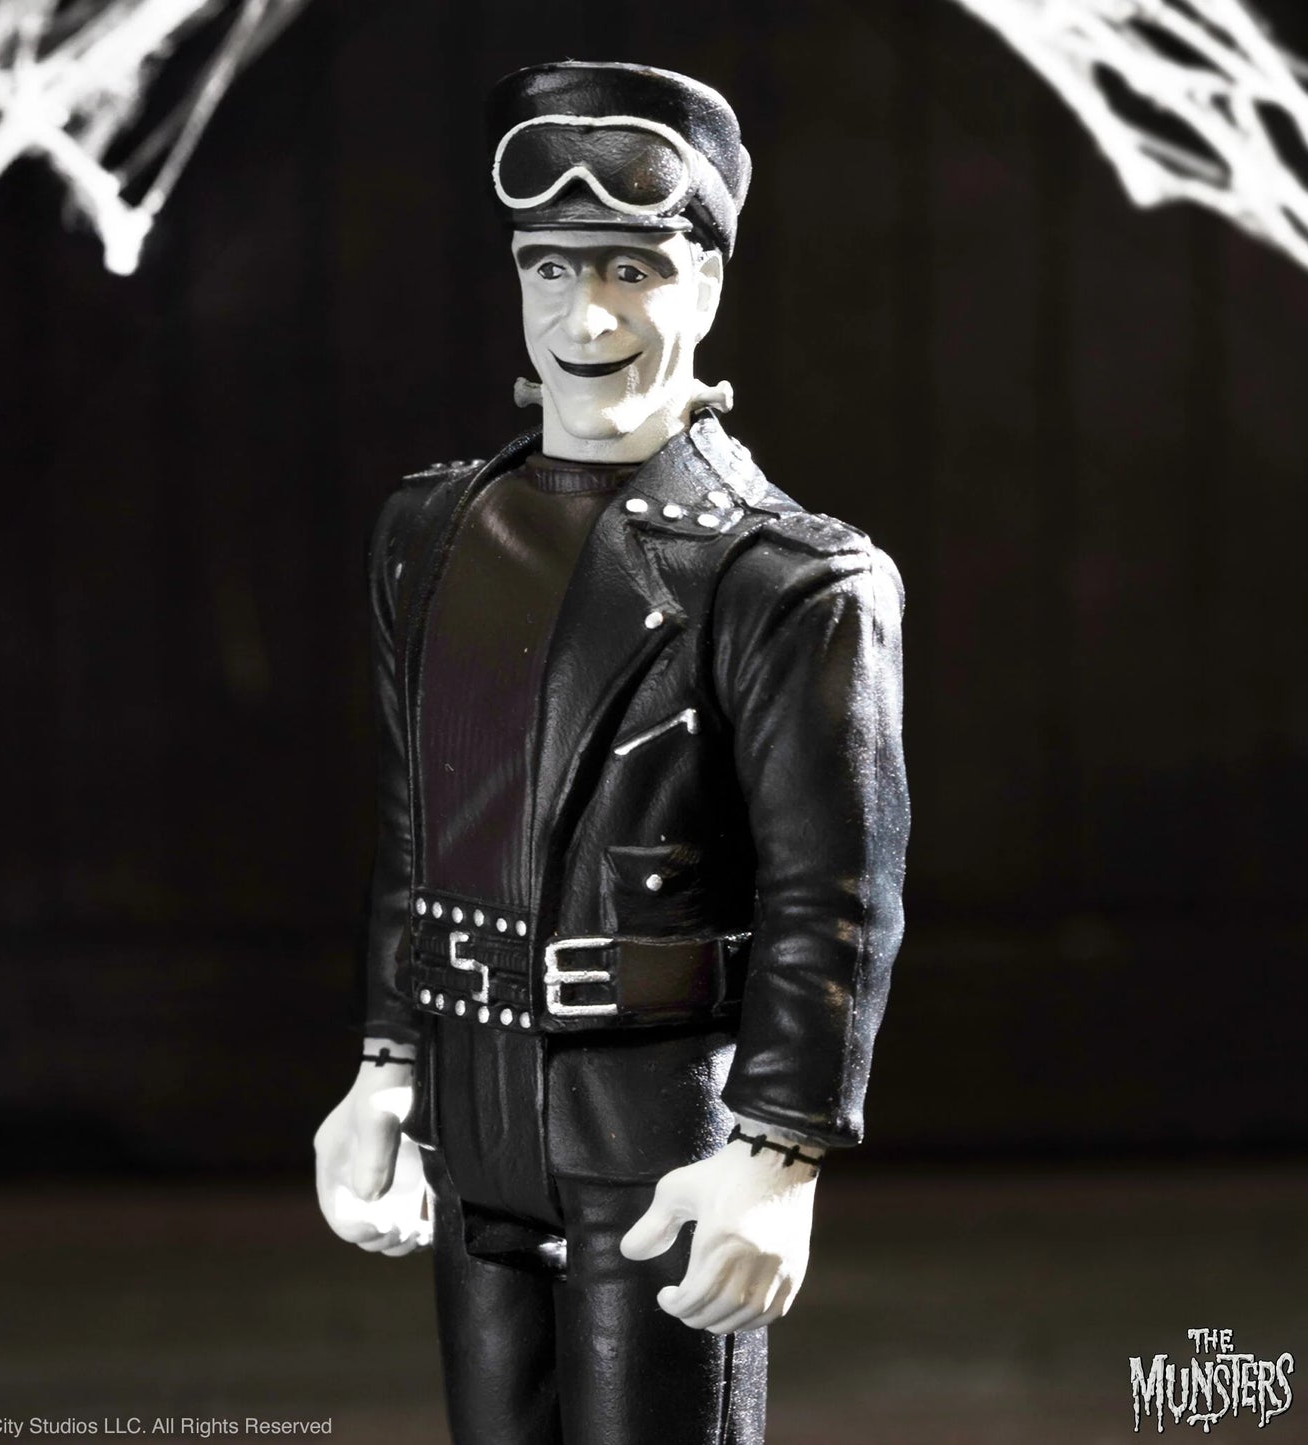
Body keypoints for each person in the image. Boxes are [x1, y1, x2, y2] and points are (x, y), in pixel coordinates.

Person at [314, 60, 909, 1445]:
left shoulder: (787, 580)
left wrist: (777, 1149)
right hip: (473, 1101)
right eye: (550, 267)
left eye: (632, 269)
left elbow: (832, 895)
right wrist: (385, 1063)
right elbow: (418, 827)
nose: (585, 316)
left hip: (652, 1114)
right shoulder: (431, 533)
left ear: (706, 283)